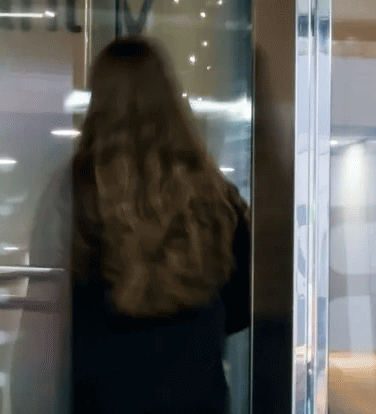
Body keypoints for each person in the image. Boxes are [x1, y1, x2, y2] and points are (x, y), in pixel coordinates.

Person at [10, 36, 251, 414]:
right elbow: (239, 309)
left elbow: (45, 322)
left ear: (98, 103)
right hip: (197, 400)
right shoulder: (214, 196)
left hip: (99, 400)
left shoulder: (73, 191)